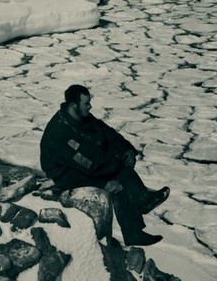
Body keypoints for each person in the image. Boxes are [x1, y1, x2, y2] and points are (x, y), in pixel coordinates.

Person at [39, 84, 170, 246]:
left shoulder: (82, 117)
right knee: (117, 179)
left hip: (83, 165)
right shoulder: (60, 132)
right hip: (67, 174)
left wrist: (127, 149)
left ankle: (138, 214)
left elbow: (108, 133)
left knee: (123, 170)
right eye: (86, 103)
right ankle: (136, 218)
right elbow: (87, 163)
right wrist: (105, 181)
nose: (90, 106)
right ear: (74, 105)